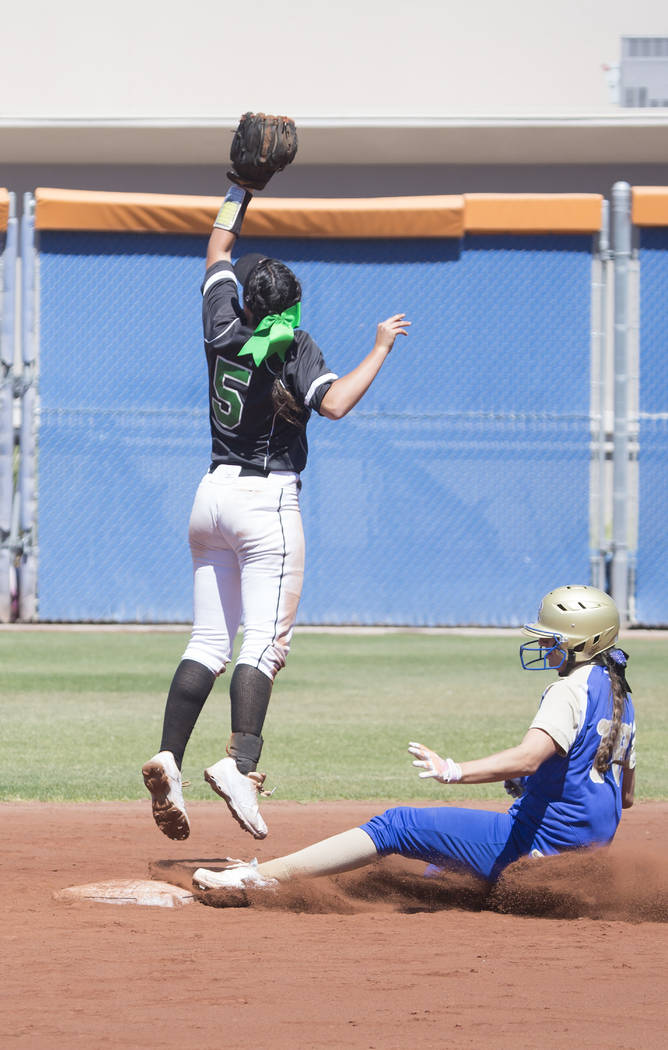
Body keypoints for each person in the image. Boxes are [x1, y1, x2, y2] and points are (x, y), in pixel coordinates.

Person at [143, 176, 411, 842]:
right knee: (263, 645)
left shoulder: (222, 320)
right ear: (289, 307)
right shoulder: (294, 344)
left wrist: (240, 186)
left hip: (211, 498)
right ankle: (241, 764)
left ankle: (169, 759)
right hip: (267, 500)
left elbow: (217, 249)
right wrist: (380, 345)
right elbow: (338, 403)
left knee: (209, 640)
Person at [191, 584, 637, 891]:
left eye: (552, 640)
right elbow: (624, 795)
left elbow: (527, 757)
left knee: (397, 825)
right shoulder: (621, 695)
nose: (544, 647)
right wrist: (539, 784)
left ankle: (260, 876)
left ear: (584, 642)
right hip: (580, 859)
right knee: (436, 875)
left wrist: (454, 771)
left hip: (535, 850)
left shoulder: (568, 689)